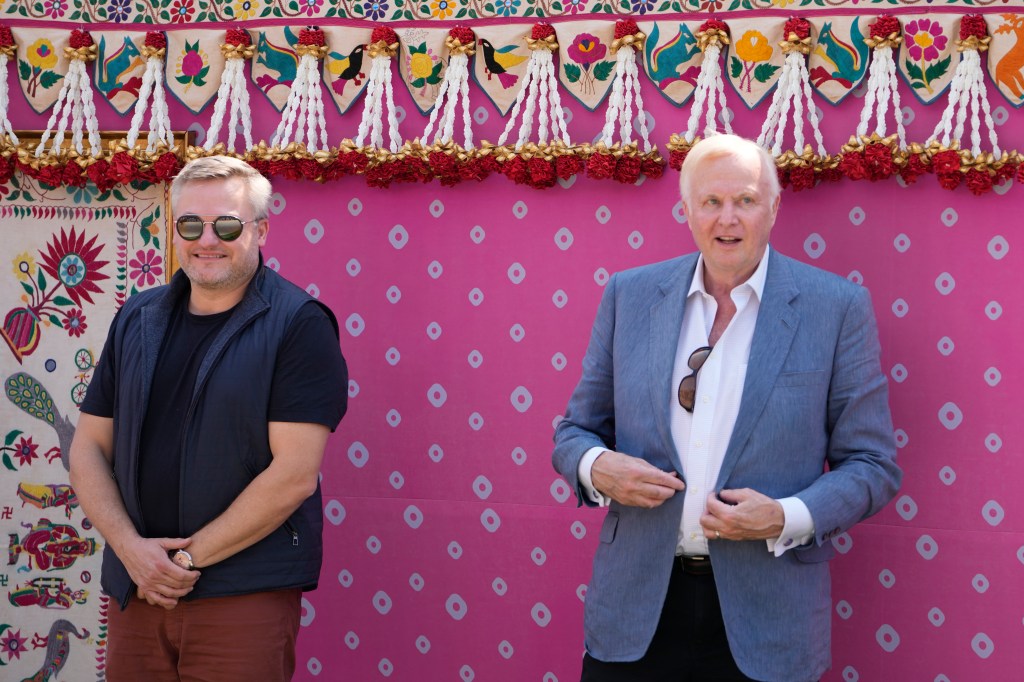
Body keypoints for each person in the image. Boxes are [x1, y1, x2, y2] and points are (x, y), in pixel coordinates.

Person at [552, 134, 901, 682]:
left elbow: (873, 466)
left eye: (745, 200)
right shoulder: (630, 295)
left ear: (775, 207)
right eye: (711, 202)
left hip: (769, 618)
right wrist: (598, 467)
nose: (728, 219)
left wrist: (786, 516)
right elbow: (575, 431)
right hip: (635, 613)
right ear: (687, 210)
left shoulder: (836, 307)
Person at [69, 155, 348, 682]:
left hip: (241, 592)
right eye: (190, 224)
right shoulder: (137, 316)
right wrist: (132, 553)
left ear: (261, 230)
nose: (206, 240)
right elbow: (88, 447)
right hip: (138, 585)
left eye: (226, 225)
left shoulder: (300, 325)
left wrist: (182, 564)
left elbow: (293, 477)